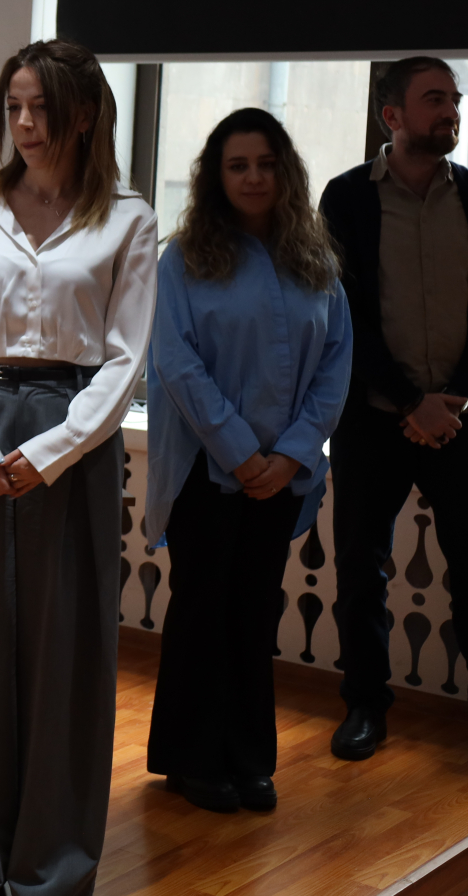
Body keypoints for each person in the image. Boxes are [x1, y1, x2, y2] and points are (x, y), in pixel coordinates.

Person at [0, 39, 157, 896]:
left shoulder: (129, 218)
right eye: (13, 106)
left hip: (74, 443)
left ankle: (48, 863)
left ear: (83, 114)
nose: (24, 122)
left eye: (41, 107)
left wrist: (49, 452)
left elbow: (124, 360)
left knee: (63, 652)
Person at [319, 57, 468, 774]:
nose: (450, 111)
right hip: (371, 420)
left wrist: (451, 399)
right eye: (434, 99)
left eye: (453, 98)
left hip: (461, 420)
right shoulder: (346, 197)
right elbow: (343, 315)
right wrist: (408, 400)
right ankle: (364, 706)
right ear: (393, 116)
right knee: (361, 568)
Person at [144, 108, 352, 813]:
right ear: (217, 176)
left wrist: (290, 456)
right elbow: (174, 363)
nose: (254, 177)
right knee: (202, 610)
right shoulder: (182, 260)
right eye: (238, 166)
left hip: (282, 478)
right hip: (206, 473)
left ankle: (248, 759)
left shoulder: (316, 261)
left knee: (255, 613)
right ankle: (191, 761)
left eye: (265, 164)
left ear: (284, 172)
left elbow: (336, 366)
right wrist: (239, 453)